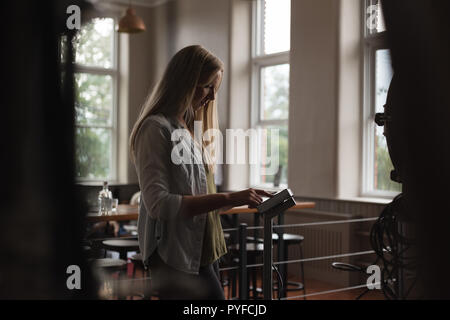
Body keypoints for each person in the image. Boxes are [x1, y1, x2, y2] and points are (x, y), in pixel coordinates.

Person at [129, 45, 273, 300]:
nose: (212, 97)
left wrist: (238, 198)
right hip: (175, 254)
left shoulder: (188, 129)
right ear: (185, 82)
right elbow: (159, 205)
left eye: (214, 88)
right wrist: (229, 199)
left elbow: (198, 194)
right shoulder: (155, 129)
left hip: (204, 249)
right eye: (207, 86)